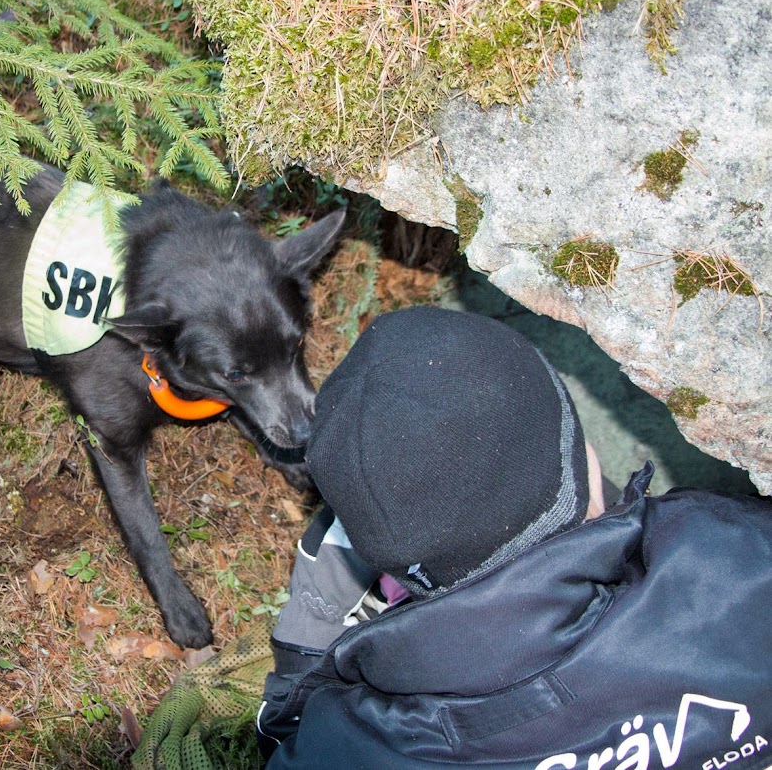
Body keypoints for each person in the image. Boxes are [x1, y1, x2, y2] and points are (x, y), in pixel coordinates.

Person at [257, 306, 772, 770]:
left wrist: (304, 669)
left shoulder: (346, 749)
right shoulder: (738, 553)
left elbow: (287, 745)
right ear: (579, 453)